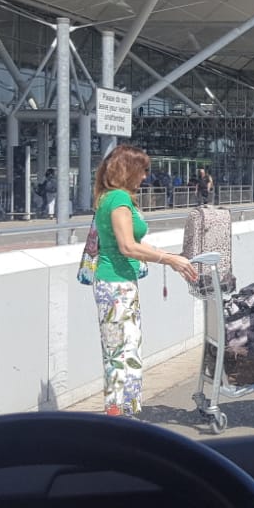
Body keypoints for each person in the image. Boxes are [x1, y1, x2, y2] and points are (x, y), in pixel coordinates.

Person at [90, 145, 199, 418]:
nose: (145, 176)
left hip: (116, 283)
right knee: (122, 353)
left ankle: (123, 414)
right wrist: (168, 259)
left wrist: (170, 258)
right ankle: (119, 418)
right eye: (142, 170)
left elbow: (129, 243)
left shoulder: (109, 197)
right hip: (116, 284)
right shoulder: (119, 199)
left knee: (122, 350)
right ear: (128, 170)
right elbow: (128, 246)